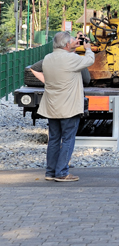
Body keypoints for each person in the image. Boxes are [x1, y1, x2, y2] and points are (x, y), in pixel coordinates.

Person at [38, 31, 95, 182]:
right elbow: (89, 60)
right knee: (68, 139)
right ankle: (62, 172)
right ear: (67, 45)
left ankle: (50, 172)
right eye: (72, 41)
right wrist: (87, 47)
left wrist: (74, 47)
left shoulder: (48, 58)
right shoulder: (71, 58)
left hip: (52, 106)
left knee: (54, 139)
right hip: (69, 107)